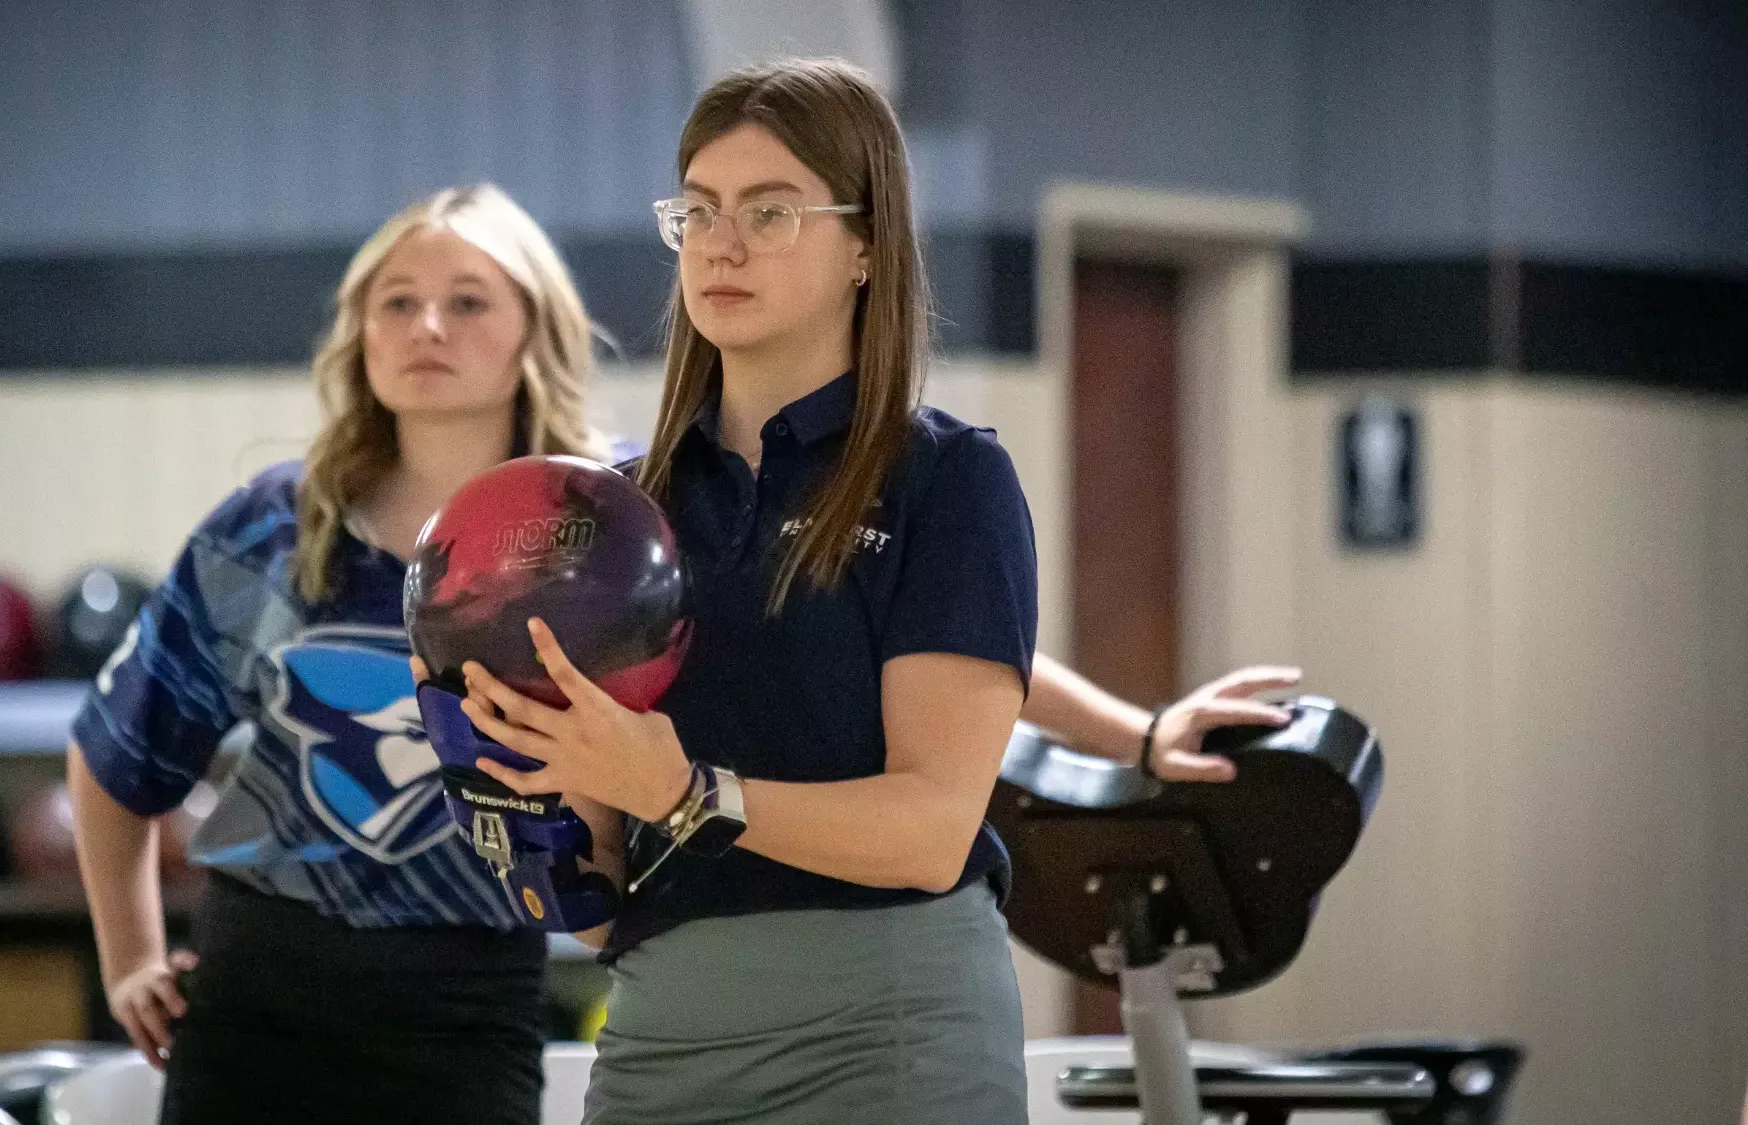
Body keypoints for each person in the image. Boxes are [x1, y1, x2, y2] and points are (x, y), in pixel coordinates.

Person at [445, 59, 1300, 1125]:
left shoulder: (946, 479)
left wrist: (684, 791)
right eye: (698, 210)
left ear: (863, 246)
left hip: (887, 1025)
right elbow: (593, 901)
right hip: (664, 1024)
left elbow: (931, 827)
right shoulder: (621, 515)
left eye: (769, 211)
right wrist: (541, 765)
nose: (721, 242)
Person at [66, 183, 614, 1125]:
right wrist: (130, 962)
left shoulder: (598, 536)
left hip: (469, 1006)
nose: (427, 324)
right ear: (361, 331)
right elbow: (116, 754)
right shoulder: (275, 530)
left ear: (537, 332)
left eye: (470, 299)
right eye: (395, 300)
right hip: (254, 1004)